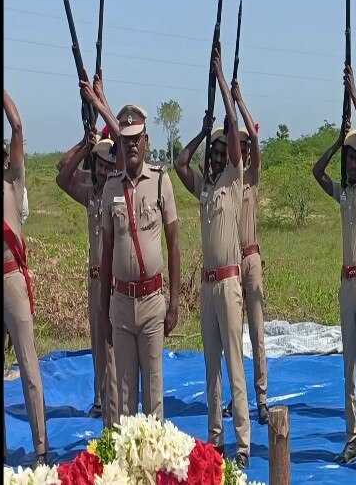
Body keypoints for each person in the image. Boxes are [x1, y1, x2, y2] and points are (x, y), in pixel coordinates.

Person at [174, 47, 250, 468]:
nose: (218, 156)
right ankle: (215, 439)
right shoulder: (204, 189)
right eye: (215, 153)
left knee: (235, 365)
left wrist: (222, 83)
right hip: (206, 284)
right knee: (211, 368)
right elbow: (180, 162)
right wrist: (203, 132)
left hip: (230, 282)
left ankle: (241, 444)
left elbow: (235, 127)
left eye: (222, 151)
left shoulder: (233, 182)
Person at [312, 66, 356, 477]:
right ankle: (352, 439)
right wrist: (337, 141)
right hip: (345, 282)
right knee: (349, 368)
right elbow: (317, 172)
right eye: (351, 157)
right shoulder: (344, 192)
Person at [94, 92, 181, 421]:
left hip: (151, 304)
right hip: (121, 303)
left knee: (154, 393)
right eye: (125, 140)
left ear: (146, 141)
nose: (131, 145)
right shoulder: (111, 188)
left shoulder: (161, 182)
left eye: (136, 139)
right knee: (126, 396)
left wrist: (173, 304)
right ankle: (130, 469)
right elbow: (106, 253)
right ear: (120, 143)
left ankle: (155, 467)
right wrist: (104, 314)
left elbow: (174, 244)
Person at [56, 129, 119, 426]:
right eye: (100, 165)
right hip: (94, 279)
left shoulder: (116, 192)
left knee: (112, 345)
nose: (105, 170)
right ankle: (99, 397)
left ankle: (112, 402)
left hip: (113, 279)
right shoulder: (90, 192)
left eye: (109, 165)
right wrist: (84, 144)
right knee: (96, 341)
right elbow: (61, 173)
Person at [3, 89, 49, 467]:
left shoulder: (13, 183)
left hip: (12, 280)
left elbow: (17, 125)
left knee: (29, 367)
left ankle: (41, 448)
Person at [233, 78, 269, 426]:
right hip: (229, 261)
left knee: (256, 331)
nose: (243, 151)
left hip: (251, 258)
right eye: (238, 145)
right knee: (232, 332)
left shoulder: (251, 178)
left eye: (245, 147)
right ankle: (238, 395)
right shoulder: (227, 181)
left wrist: (240, 101)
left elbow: (256, 140)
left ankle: (260, 396)